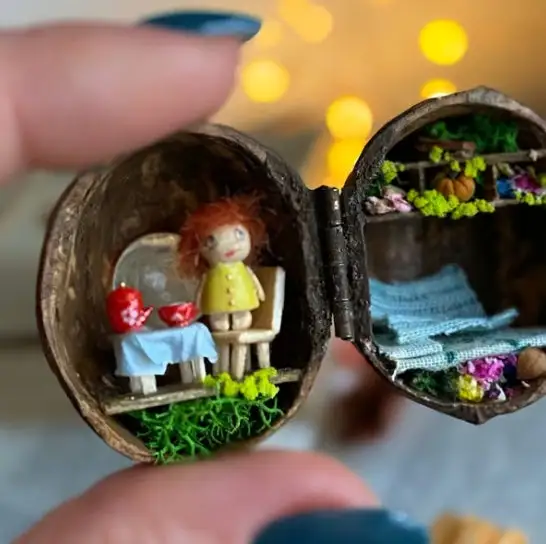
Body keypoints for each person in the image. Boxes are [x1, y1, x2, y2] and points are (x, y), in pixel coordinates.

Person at [6, 12, 428, 543]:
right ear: (200, 247)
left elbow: (251, 297)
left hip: (247, 320)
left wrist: (243, 310)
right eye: (212, 243)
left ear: (247, 239)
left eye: (232, 240)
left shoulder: (246, 274)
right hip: (221, 318)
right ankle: (224, 375)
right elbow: (205, 301)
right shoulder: (204, 274)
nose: (224, 248)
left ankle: (239, 375)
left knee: (231, 342)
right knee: (214, 339)